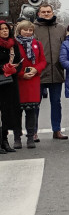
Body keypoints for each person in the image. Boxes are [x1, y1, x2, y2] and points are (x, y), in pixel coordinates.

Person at [34, 3, 67, 140]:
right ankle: (33, 131)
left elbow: (66, 48)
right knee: (35, 104)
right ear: (39, 13)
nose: (46, 14)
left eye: (48, 11)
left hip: (56, 71)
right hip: (38, 73)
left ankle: (56, 130)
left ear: (53, 12)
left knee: (56, 103)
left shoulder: (61, 29)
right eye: (43, 12)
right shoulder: (33, 29)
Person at [13, 21, 46, 150]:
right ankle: (17, 138)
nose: (27, 32)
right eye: (25, 30)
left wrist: (36, 69)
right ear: (19, 30)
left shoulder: (37, 44)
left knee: (31, 111)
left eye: (30, 30)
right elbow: (12, 63)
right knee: (17, 112)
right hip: (19, 81)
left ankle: (30, 137)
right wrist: (21, 74)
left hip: (33, 80)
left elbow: (43, 60)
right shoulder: (14, 44)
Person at [0, 21, 23, 153]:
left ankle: (5, 140)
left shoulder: (13, 45)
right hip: (0, 80)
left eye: (6, 29)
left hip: (10, 82)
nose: (4, 31)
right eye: (2, 29)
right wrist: (3, 68)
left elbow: (19, 61)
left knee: (8, 113)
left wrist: (15, 69)